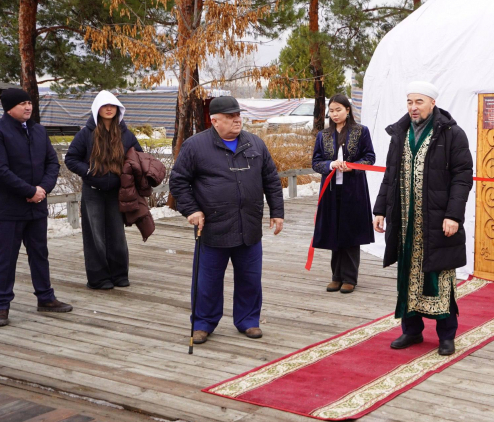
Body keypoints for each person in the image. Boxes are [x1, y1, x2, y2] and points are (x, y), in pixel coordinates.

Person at [170, 96, 284, 345]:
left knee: (250, 278)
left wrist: (277, 212)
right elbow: (178, 181)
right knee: (207, 281)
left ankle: (248, 321)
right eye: (230, 116)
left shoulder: (255, 144)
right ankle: (203, 323)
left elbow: (271, 179)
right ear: (214, 121)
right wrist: (191, 210)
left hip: (249, 226)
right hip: (213, 227)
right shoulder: (195, 146)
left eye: (238, 115)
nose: (236, 119)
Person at [373, 81, 473, 356]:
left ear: (432, 103)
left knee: (439, 276)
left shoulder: (452, 134)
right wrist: (380, 210)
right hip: (405, 221)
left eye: (419, 102)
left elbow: (462, 178)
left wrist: (453, 215)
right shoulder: (400, 133)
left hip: (438, 220)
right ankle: (412, 331)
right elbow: (390, 176)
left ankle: (446, 335)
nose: (413, 107)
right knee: (406, 274)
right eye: (409, 102)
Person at [0, 88, 72, 327]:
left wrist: (43, 189)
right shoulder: (1, 131)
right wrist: (29, 191)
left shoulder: (39, 131)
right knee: (6, 258)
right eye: (22, 103)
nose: (28, 107)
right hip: (9, 208)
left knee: (40, 253)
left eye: (29, 102)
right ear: (8, 107)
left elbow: (52, 162)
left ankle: (45, 297)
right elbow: (2, 170)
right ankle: (2, 305)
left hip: (37, 207)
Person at [65, 91, 143, 290]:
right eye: (104, 105)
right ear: (96, 108)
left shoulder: (125, 134)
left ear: (118, 109)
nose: (109, 109)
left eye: (113, 105)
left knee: (117, 235)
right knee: (95, 235)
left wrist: (127, 173)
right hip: (93, 191)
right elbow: (71, 159)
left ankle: (119, 275)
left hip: (117, 192)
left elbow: (139, 158)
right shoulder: (86, 133)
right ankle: (99, 278)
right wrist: (89, 172)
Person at [311, 94, 376, 294]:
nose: (335, 114)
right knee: (333, 231)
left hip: (353, 190)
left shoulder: (360, 131)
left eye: (338, 109)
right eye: (331, 110)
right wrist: (331, 164)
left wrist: (352, 166)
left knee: (350, 232)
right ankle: (336, 276)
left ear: (348, 110)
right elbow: (316, 162)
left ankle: (350, 278)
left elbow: (370, 157)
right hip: (331, 191)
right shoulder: (324, 135)